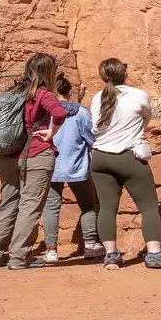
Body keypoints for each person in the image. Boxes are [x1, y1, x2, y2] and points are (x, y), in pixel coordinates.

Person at [88, 58, 161, 269]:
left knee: (107, 208)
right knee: (149, 207)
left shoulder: (97, 97)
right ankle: (155, 254)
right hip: (128, 156)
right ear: (124, 73)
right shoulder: (138, 94)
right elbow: (147, 118)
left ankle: (111, 256)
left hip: (100, 158)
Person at [0, 53, 70, 269]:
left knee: (7, 204)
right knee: (30, 205)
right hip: (36, 154)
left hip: (9, 157)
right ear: (49, 72)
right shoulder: (42, 93)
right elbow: (59, 112)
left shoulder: (13, 92)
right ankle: (20, 258)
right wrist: (51, 132)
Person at [41, 74, 102, 263]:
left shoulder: (45, 112)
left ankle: (51, 250)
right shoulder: (80, 112)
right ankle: (90, 245)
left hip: (52, 165)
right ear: (69, 92)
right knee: (87, 206)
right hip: (77, 166)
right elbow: (91, 138)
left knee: (51, 208)